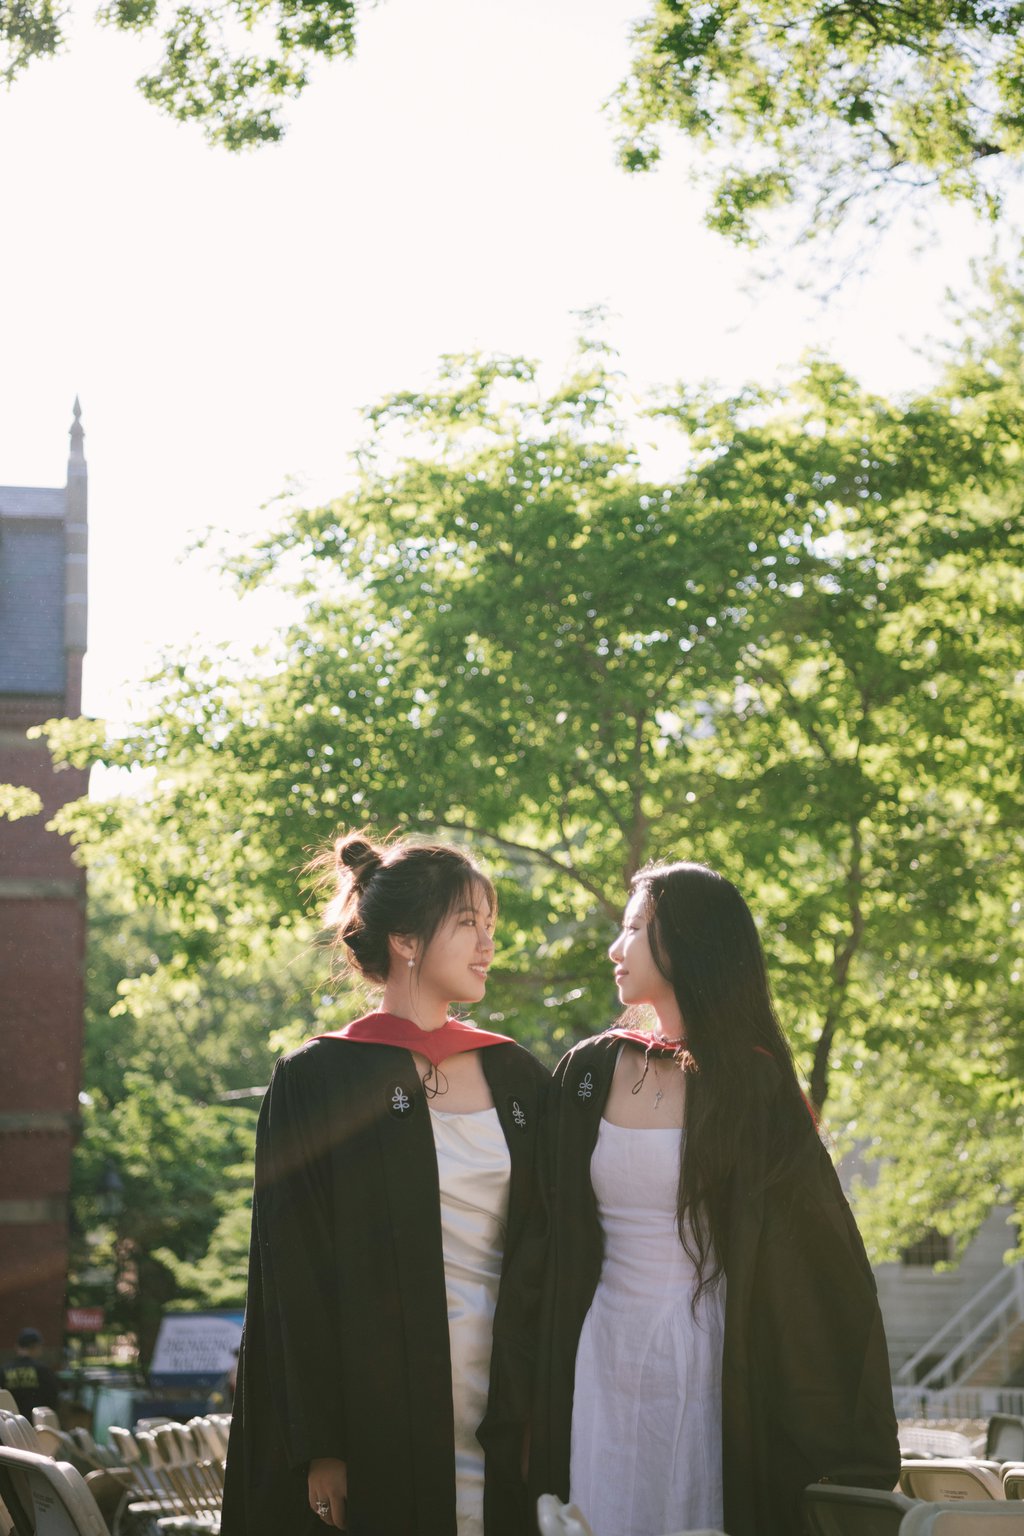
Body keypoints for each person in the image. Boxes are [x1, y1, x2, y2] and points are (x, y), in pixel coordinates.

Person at [528, 859, 899, 1536]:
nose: (617, 948)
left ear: (688, 943)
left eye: (636, 928)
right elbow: (543, 1228)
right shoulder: (590, 1069)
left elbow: (817, 1255)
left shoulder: (751, 1084)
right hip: (600, 1345)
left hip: (709, 1357)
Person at [221, 833, 547, 1536]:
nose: (487, 944)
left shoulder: (517, 1076)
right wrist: (321, 1443)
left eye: (490, 926)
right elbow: (293, 1272)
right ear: (405, 940)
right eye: (467, 924)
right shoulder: (318, 1080)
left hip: (505, 1397)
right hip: (381, 1407)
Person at [0, 1327, 61, 1416]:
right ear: (36, 1347)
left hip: (11, 1426)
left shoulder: (3, 1370)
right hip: (37, 1426)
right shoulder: (44, 1371)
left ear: (17, 1346)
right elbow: (53, 1401)